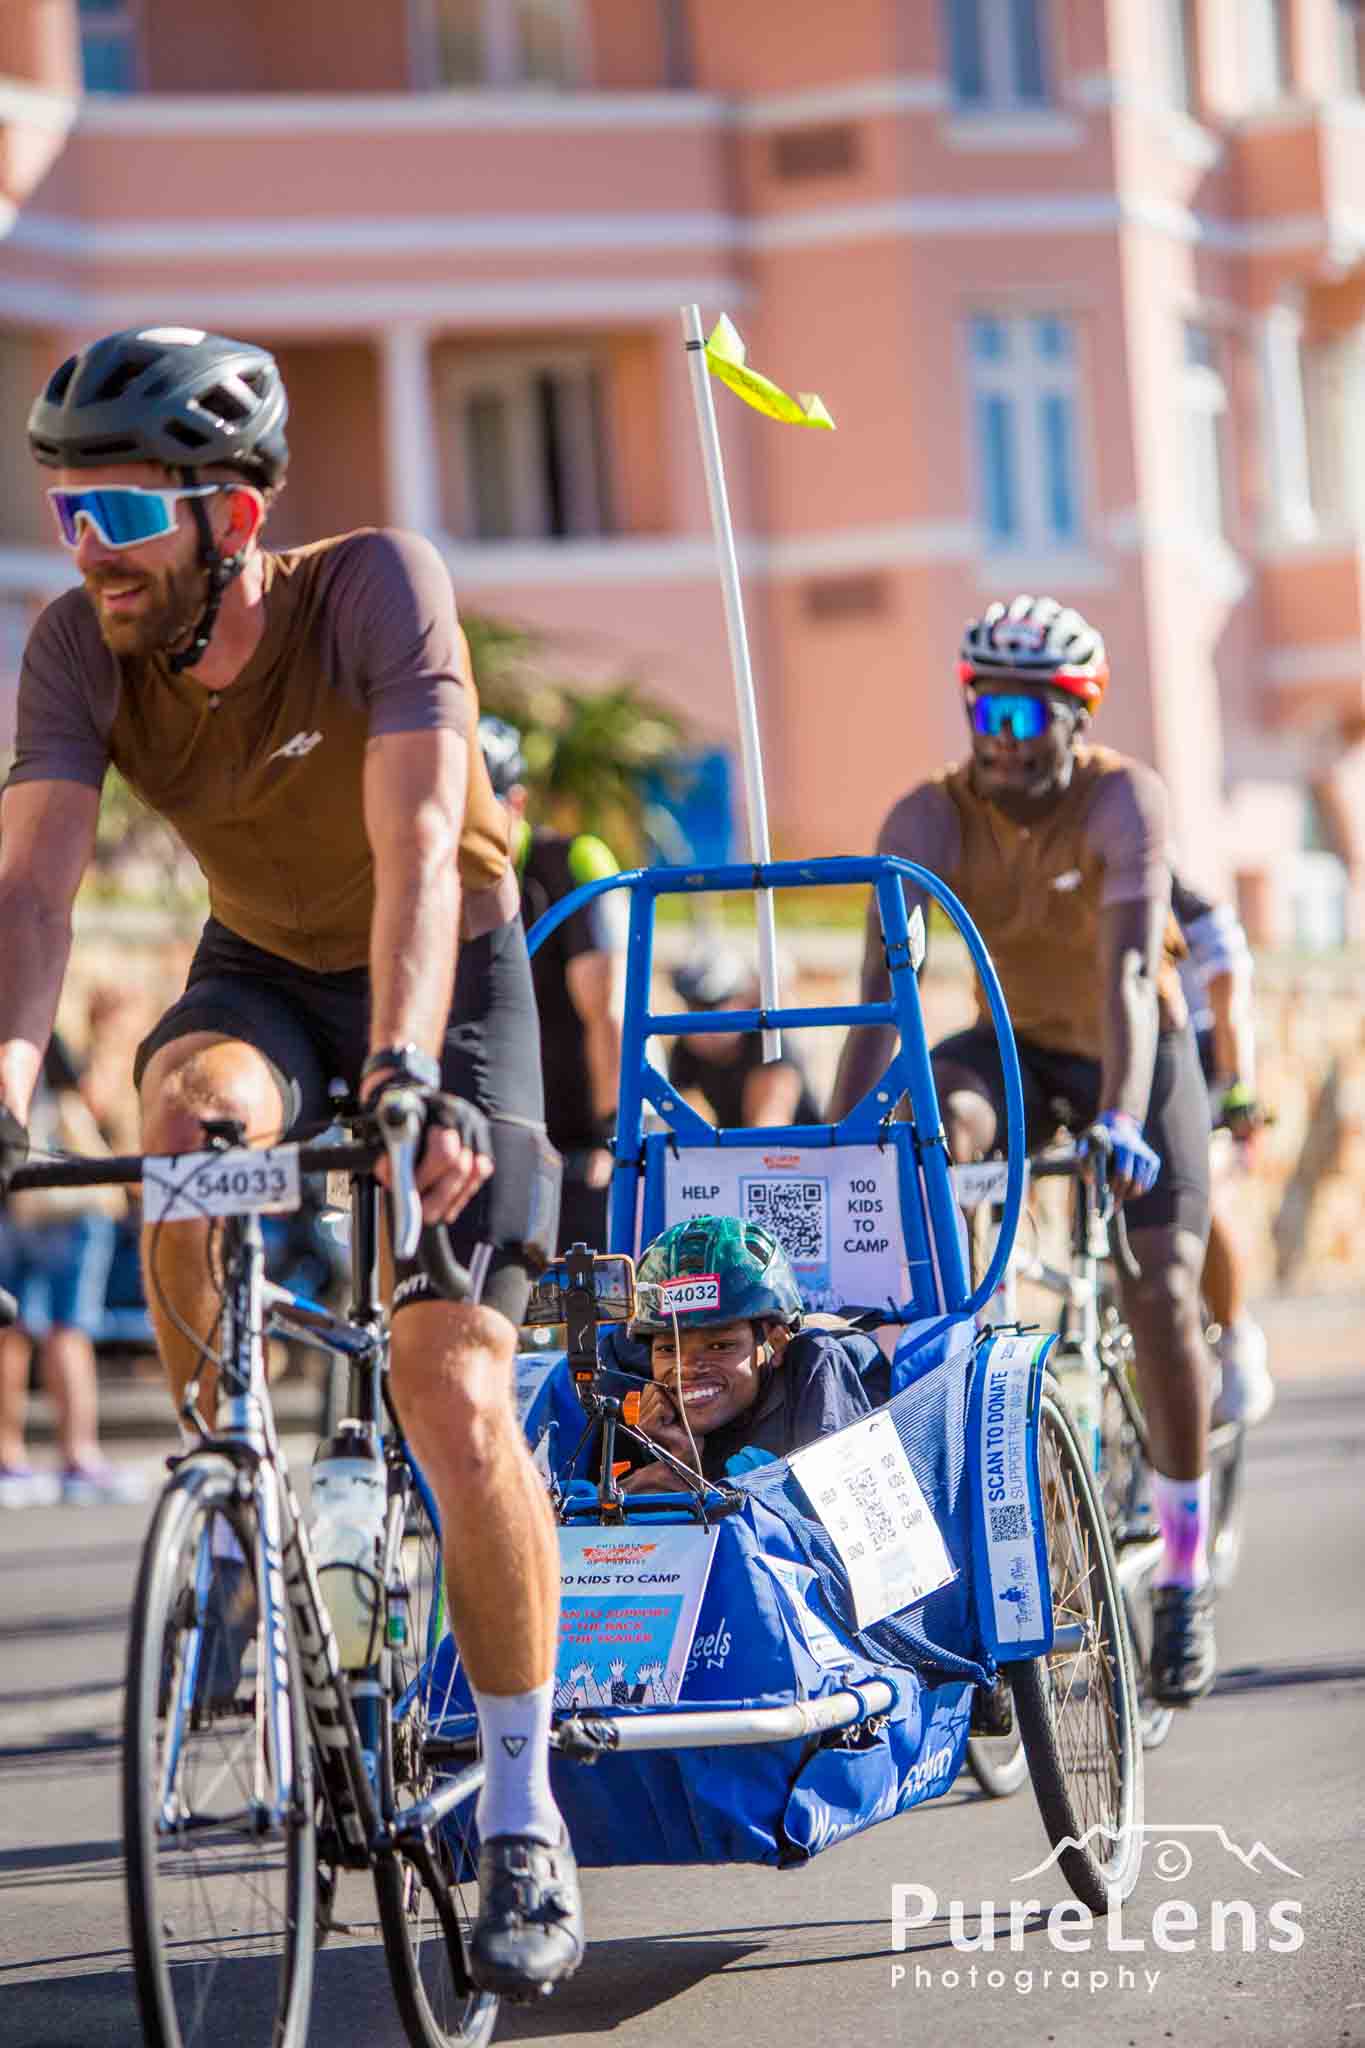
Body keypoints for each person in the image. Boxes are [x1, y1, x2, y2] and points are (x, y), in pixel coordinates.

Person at [0, 327, 580, 1995]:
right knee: (188, 1118)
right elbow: (32, 889)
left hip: (447, 978)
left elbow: (418, 845)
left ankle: (522, 1811)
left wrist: (407, 1075)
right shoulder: (79, 645)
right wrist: (5, 1096)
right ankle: (236, 1487)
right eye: (65, 512)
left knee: (450, 1386)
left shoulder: (377, 588)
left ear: (232, 515)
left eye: (121, 514)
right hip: (258, 973)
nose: (88, 550)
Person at [829, 594, 1218, 1706]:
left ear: (1078, 713)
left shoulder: (1122, 798)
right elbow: (879, 999)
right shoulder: (925, 816)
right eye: (983, 709)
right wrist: (844, 1150)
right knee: (935, 1127)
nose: (1000, 736)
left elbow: (1132, 974)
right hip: (1013, 1048)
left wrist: (1125, 1118)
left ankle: (1183, 1569)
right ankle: (964, 1346)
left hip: (1130, 1051)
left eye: (1026, 712)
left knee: (1162, 1290)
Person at [480, 715, 624, 1253]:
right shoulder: (436, 873)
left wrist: (611, 1137)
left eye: (477, 805)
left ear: (515, 803)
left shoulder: (569, 863)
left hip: (584, 1131)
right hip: (501, 1124)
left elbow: (608, 1013)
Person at [619, 1214, 877, 1492]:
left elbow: (840, 1504)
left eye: (719, 1346)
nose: (687, 1368)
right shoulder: (636, 1399)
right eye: (668, 1349)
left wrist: (695, 1486)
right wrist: (669, 1459)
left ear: (776, 1340)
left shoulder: (813, 1370)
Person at [0, 1030, 143, 1507]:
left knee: (11, 1330)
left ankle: (8, 1455)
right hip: (63, 1189)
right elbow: (90, 1096)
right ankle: (77, 1454)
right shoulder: (44, 1023)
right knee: (68, 1328)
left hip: (11, 1190)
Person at [1170, 871, 1274, 1425]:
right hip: (1139, 1053)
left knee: (1202, 1188)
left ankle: (1236, 1340)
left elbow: (1229, 1005)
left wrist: (1238, 1094)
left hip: (1208, 1056)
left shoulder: (1205, 920)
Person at [666, 948, 821, 1128]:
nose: (703, 1020)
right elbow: (684, 1121)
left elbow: (768, 1127)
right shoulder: (686, 1048)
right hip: (734, 1142)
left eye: (714, 1006)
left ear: (743, 1002)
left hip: (794, 1144)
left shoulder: (769, 1044)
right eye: (693, 1007)